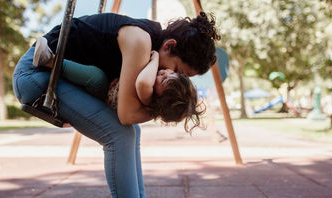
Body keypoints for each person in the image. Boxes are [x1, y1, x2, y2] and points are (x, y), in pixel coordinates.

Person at [13, 11, 220, 198]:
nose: (175, 77)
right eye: (179, 70)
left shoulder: (151, 44)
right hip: (36, 76)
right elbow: (125, 114)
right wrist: (164, 110)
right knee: (119, 134)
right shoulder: (141, 41)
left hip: (58, 79)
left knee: (133, 131)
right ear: (169, 46)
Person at [32, 37, 203, 132]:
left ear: (161, 99)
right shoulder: (152, 100)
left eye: (165, 80)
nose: (165, 72)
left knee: (96, 77)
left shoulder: (148, 95)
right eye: (172, 73)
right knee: (95, 74)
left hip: (100, 96)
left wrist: (156, 58)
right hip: (105, 94)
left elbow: (143, 81)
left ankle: (50, 61)